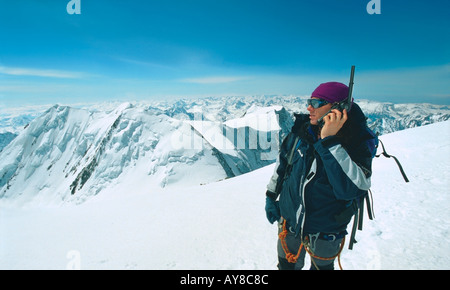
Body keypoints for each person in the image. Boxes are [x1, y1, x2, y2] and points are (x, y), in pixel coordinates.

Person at [265, 82, 374, 270]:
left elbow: (351, 189)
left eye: (316, 102)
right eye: (310, 101)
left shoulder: (356, 142)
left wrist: (329, 143)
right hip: (290, 222)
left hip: (325, 231)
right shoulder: (301, 132)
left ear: (338, 108)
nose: (309, 107)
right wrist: (270, 195)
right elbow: (282, 165)